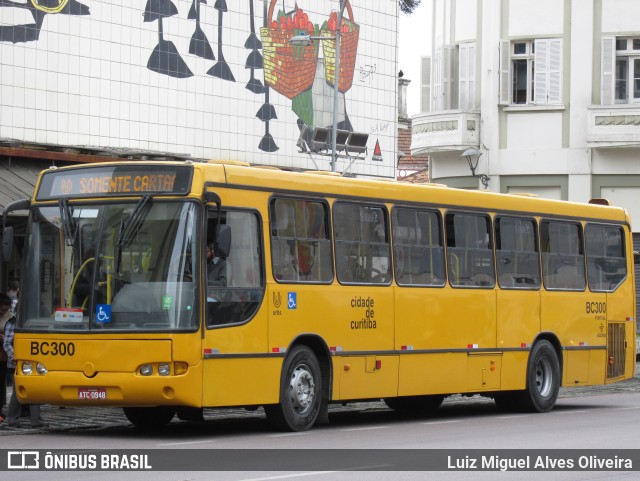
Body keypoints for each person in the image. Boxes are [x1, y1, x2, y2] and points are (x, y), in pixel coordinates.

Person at [4, 305, 48, 429]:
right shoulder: (12, 324)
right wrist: (15, 357)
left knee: (34, 388)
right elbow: (7, 344)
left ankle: (35, 420)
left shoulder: (33, 323)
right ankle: (12, 418)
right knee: (18, 392)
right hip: (16, 363)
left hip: (31, 361)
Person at [0, 294, 12, 421]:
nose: (3, 312)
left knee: (2, 381)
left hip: (2, 355)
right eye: (2, 310)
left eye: (5, 310)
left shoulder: (10, 317)